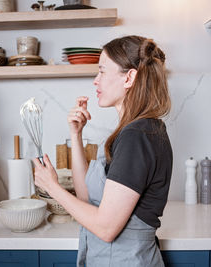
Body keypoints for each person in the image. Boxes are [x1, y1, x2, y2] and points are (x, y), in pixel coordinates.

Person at [33, 35, 172, 266]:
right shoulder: (136, 131)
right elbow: (87, 198)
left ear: (129, 78)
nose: (95, 81)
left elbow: (106, 228)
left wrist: (52, 188)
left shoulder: (137, 136)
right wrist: (76, 135)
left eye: (102, 71)